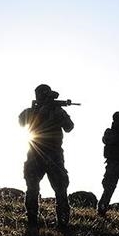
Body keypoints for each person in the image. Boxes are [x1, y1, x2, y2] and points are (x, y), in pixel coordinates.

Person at [18, 84, 74, 227]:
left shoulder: (57, 110)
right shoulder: (32, 111)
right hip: (36, 153)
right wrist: (41, 112)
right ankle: (32, 220)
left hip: (53, 153)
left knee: (60, 188)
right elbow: (21, 121)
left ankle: (62, 222)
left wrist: (57, 112)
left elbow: (69, 127)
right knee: (33, 188)